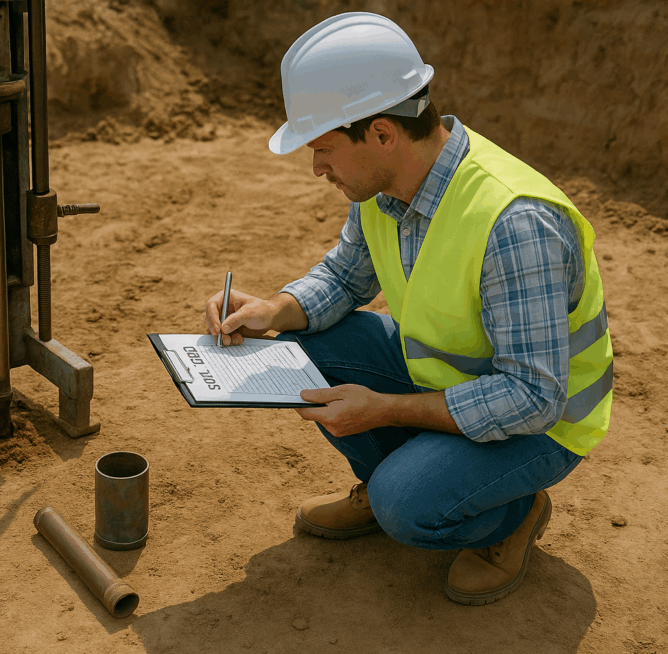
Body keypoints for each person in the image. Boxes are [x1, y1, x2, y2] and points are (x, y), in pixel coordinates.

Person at [204, 12, 613, 606]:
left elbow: (532, 396)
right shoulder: (385, 187)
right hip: (456, 382)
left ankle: (512, 514)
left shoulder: (513, 222)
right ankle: (399, 476)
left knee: (408, 506)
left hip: (545, 423)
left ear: (381, 134)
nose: (317, 168)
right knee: (300, 348)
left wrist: (384, 409)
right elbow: (345, 277)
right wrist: (275, 310)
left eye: (323, 149)